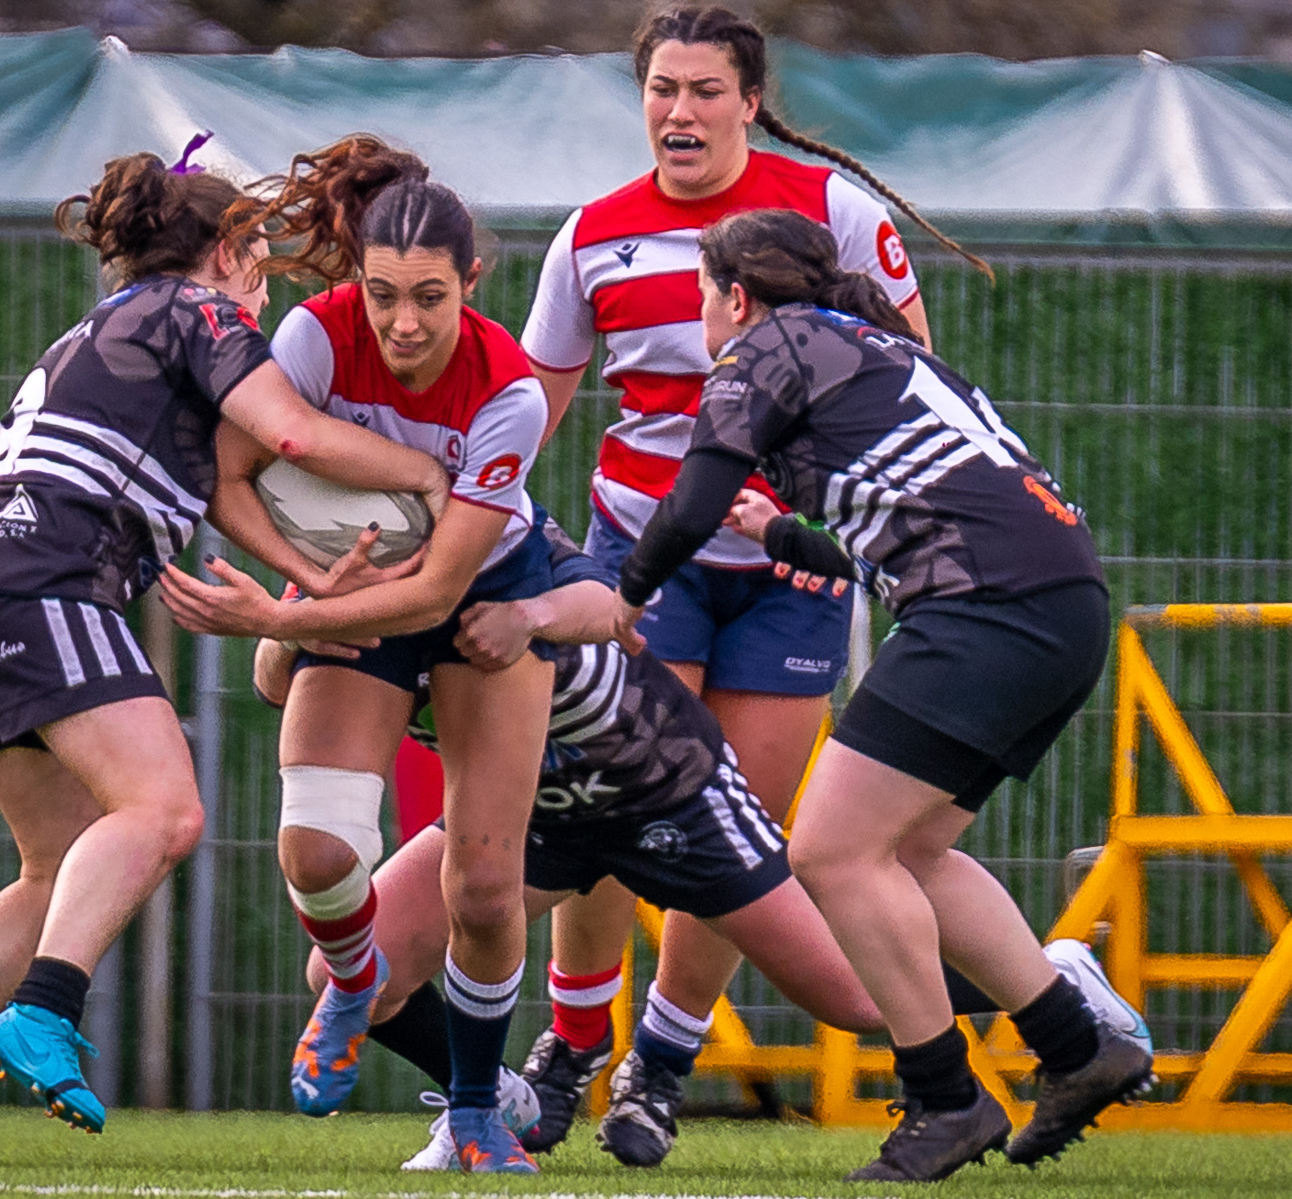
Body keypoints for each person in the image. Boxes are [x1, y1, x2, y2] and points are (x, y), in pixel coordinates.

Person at [0, 141, 448, 1166]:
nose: (263, 289)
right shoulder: (199, 312)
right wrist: (437, 474)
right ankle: (46, 1008)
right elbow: (298, 436)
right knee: (166, 810)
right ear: (225, 251)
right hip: (44, 577)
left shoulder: (99, 329)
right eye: (258, 262)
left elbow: (226, 489)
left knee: (54, 866)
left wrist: (310, 583)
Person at [260, 520, 1151, 1172]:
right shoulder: (352, 555)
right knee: (350, 973)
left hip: (667, 789)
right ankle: (493, 1097)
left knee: (856, 998)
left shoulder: (494, 536)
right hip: (527, 811)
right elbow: (276, 677)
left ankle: (1048, 977)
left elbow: (600, 602)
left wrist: (530, 613)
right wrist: (297, 620)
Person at [515, 4, 993, 1142]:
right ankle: (574, 1039)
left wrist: (829, 520)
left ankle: (660, 1066)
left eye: (703, 92)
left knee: (738, 822)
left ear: (749, 100)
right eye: (660, 90)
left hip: (793, 568)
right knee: (611, 797)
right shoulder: (592, 235)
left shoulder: (833, 211)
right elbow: (527, 414)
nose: (678, 113)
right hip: (643, 552)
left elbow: (908, 373)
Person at [608, 207, 1155, 1183]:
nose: (705, 313)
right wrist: (782, 535)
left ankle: (947, 1097)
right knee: (909, 849)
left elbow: (690, 497)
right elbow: (891, 538)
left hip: (987, 609)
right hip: (1060, 604)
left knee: (827, 847)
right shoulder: (874, 350)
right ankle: (1077, 1043)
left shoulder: (769, 340)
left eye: (702, 292)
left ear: (735, 296)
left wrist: (623, 596)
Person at [158, 138, 555, 1175]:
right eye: (384, 294)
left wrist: (272, 624)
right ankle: (354, 975)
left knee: (482, 886)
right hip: (358, 589)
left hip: (482, 596)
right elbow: (227, 472)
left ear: (472, 284)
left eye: (429, 296)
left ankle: (476, 1111)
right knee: (317, 851)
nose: (404, 323)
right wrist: (304, 579)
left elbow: (438, 584)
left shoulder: (510, 391)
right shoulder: (315, 337)